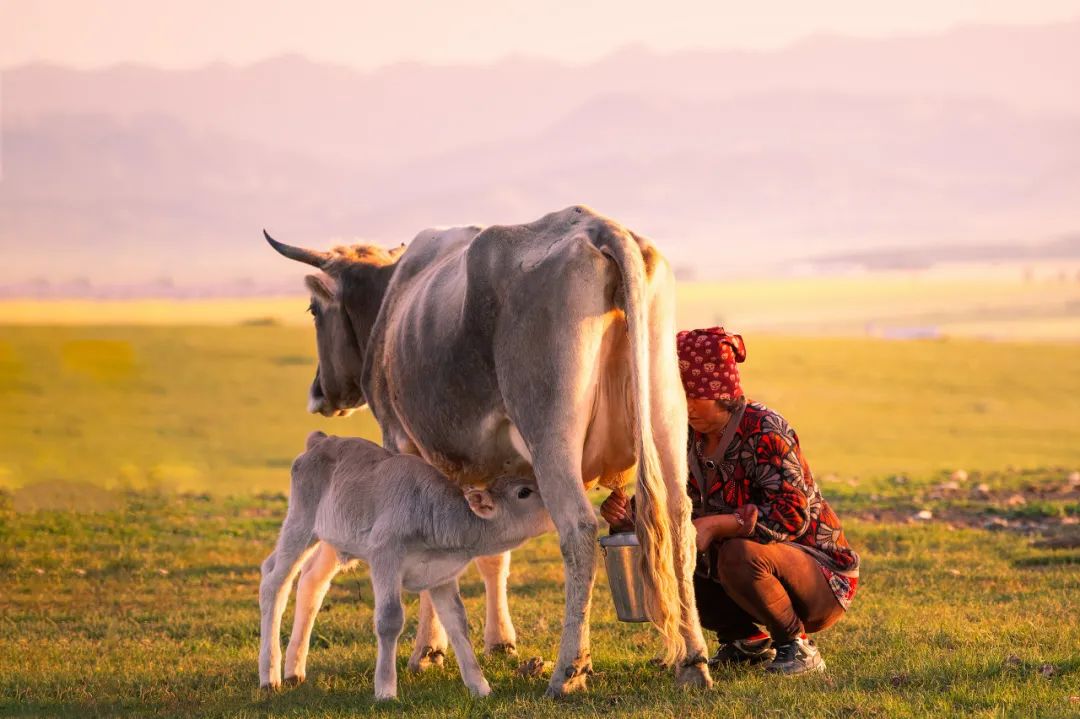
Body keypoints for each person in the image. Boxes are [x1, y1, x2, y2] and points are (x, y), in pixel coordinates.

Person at [601, 327, 859, 675]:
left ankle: (796, 646)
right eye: (678, 397)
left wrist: (722, 524)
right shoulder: (683, 437)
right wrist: (626, 518)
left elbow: (791, 515)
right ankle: (743, 640)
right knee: (671, 552)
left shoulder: (765, 429)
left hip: (817, 578)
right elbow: (666, 502)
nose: (685, 407)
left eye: (694, 396)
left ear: (720, 392)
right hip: (742, 573)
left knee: (737, 552)